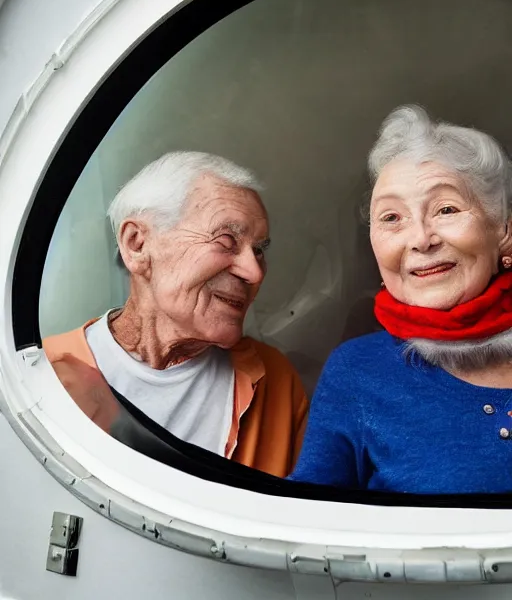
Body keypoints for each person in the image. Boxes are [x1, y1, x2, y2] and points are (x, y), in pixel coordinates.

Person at [43, 151, 308, 477]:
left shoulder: (275, 382)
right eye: (226, 240)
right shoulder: (41, 376)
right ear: (137, 245)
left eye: (259, 250)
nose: (254, 272)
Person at [290, 105, 512, 494]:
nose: (421, 239)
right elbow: (305, 527)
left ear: (504, 233)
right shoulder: (356, 372)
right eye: (392, 218)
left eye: (445, 209)